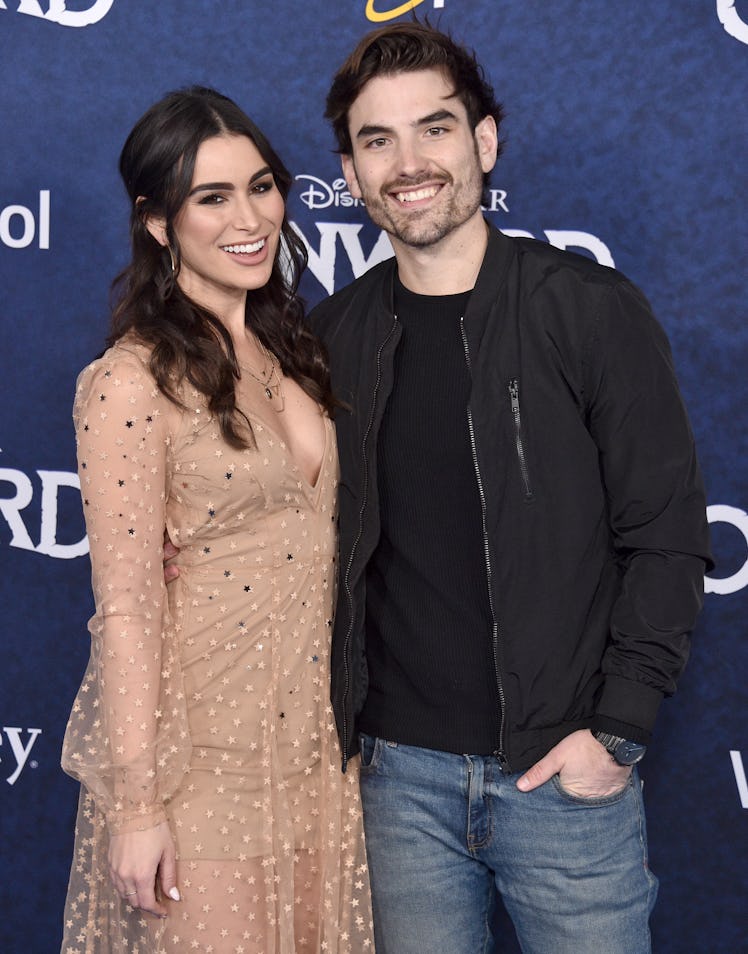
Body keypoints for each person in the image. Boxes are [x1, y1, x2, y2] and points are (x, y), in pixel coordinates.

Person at [308, 22, 713, 954]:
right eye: (379, 141)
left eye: (435, 129)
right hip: (394, 786)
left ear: (485, 142)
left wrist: (613, 733)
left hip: (563, 777)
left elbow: (666, 533)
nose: (409, 163)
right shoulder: (334, 336)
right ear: (351, 172)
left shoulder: (587, 309)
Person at [60, 86, 373, 954]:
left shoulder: (299, 355)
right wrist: (137, 806)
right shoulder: (131, 382)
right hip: (204, 767)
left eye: (262, 186)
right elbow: (125, 604)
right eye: (213, 197)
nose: (251, 217)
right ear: (158, 221)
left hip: (321, 758)